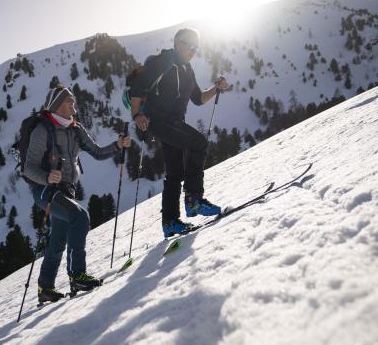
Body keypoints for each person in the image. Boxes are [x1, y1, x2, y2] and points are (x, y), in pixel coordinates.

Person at [24, 84, 131, 303]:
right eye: (68, 101)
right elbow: (29, 167)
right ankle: (77, 275)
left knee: (59, 239)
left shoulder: (75, 128)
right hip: (44, 190)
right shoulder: (42, 130)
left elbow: (98, 152)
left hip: (66, 191)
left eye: (73, 100)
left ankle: (45, 288)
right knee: (80, 217)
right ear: (56, 105)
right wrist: (47, 178)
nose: (73, 104)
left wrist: (117, 145)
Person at [129, 28, 229, 238]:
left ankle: (170, 222)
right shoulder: (161, 62)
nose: (193, 51)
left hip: (174, 122)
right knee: (198, 143)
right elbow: (137, 89)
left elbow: (198, 99)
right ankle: (193, 199)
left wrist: (216, 88)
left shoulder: (187, 69)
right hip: (159, 120)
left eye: (196, 47)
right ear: (177, 43)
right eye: (189, 45)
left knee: (174, 172)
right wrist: (137, 115)